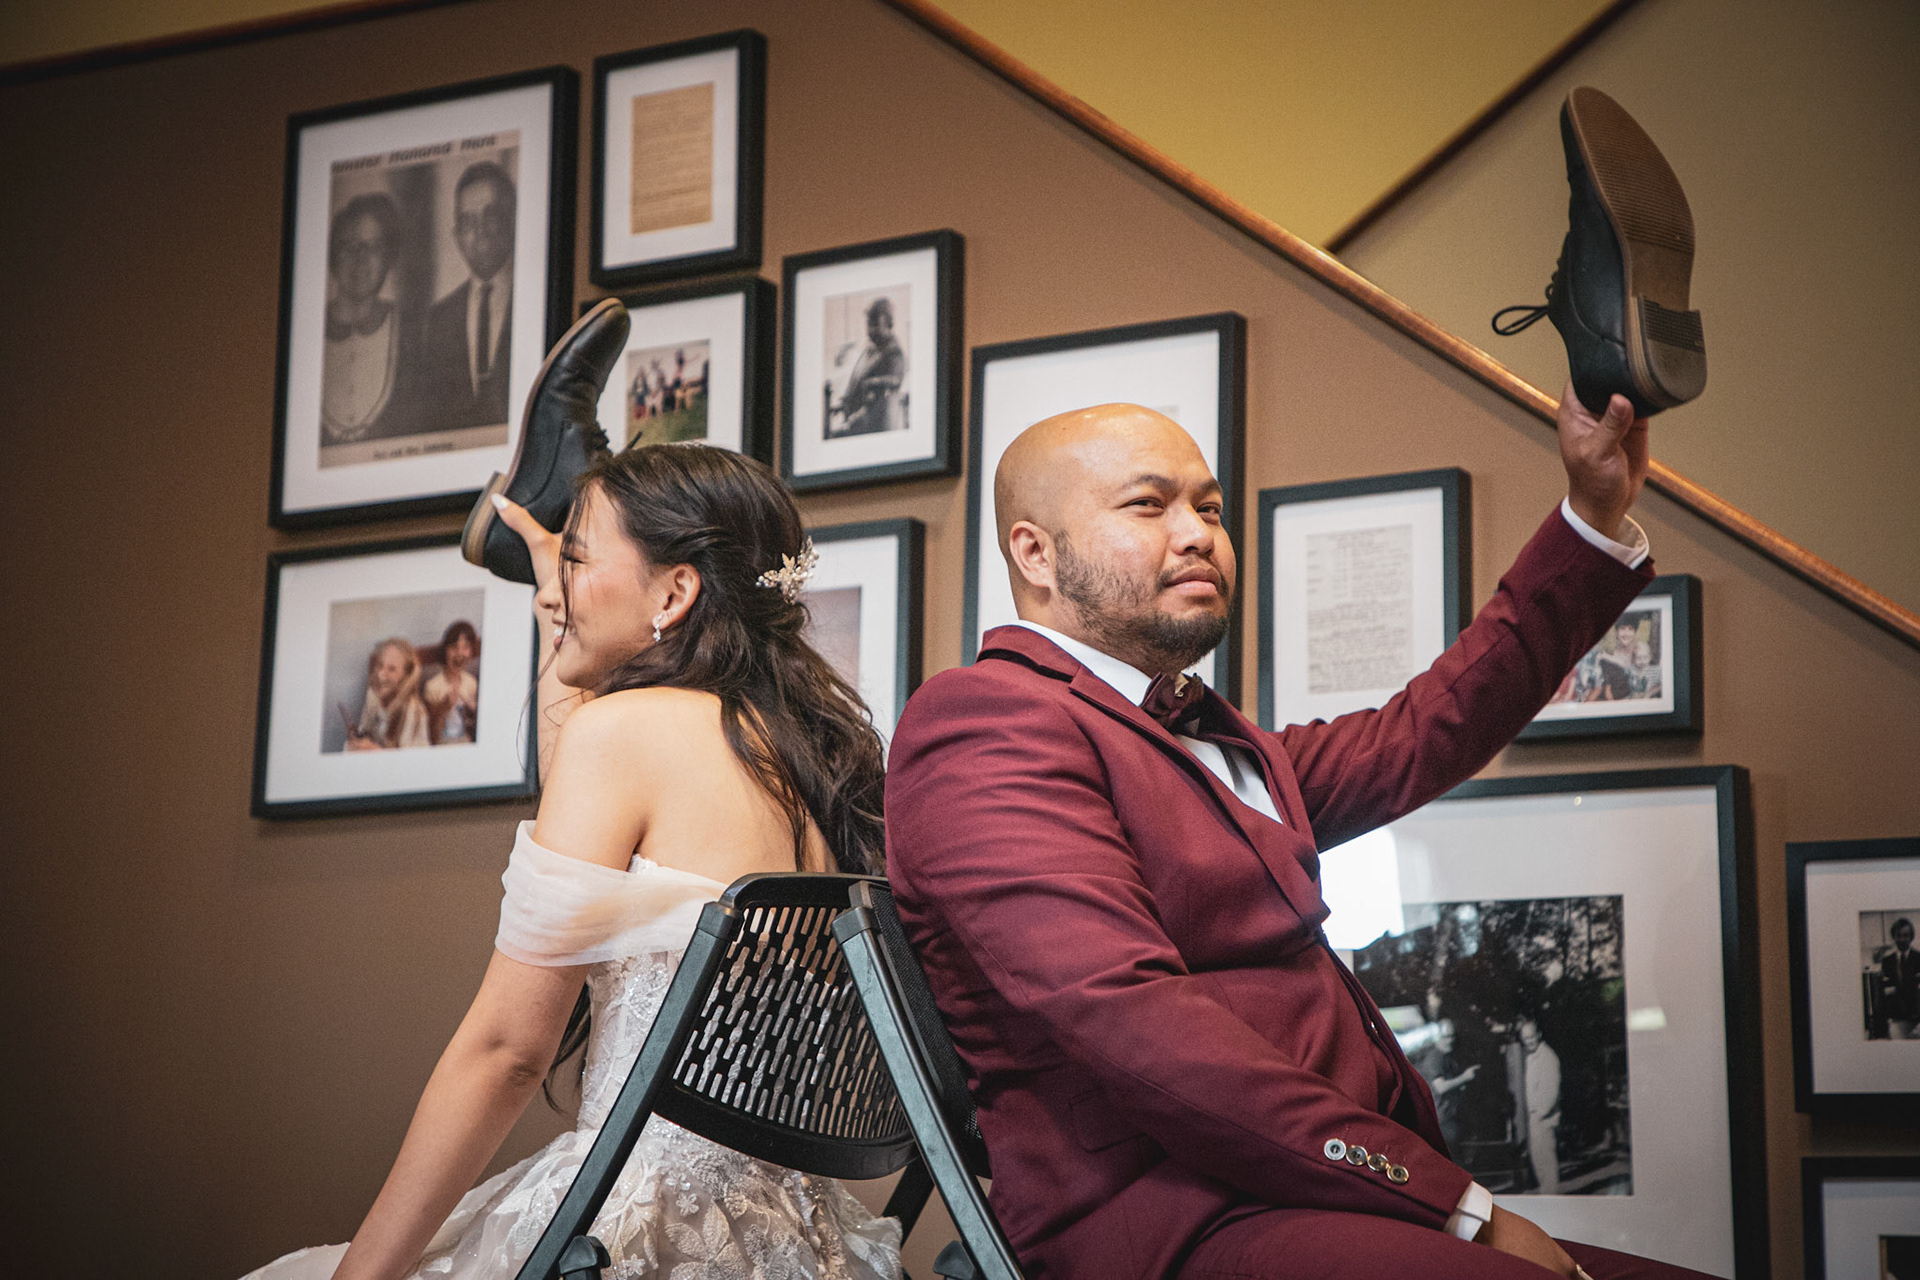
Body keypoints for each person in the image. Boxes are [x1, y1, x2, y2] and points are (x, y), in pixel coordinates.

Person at [885, 387, 1715, 1278]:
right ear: (1035, 552)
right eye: (1149, 504)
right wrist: (1458, 1209)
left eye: (1209, 508)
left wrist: (1592, 515)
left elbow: (1428, 730)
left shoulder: (1204, 736)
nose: (1198, 533)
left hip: (1319, 1201)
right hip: (1179, 1228)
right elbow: (1130, 1018)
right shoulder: (983, 719)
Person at [247, 444, 901, 1280]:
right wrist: (556, 599)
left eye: (580, 561)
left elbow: (508, 1052)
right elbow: (582, 817)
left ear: (675, 593)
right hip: (793, 1244)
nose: (560, 588)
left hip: (633, 1231)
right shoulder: (815, 762)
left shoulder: (624, 736)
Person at [422, 161, 515, 432]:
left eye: (490, 215)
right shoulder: (439, 320)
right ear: (457, 236)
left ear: (510, 220)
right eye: (468, 221)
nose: (480, 230)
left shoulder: (534, 303)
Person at [322, 193, 406, 444]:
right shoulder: (307, 335)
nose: (360, 259)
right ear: (334, 255)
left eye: (373, 247)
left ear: (388, 258)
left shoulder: (411, 330)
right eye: (350, 246)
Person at [829, 297, 905, 437]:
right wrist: (844, 402)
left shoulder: (893, 353)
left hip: (872, 428)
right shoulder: (870, 348)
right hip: (854, 420)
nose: (869, 331)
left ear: (888, 324)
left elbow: (887, 392)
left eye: (875, 324)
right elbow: (857, 380)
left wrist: (854, 421)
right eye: (868, 324)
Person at [1409, 1019, 1480, 1154]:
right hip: (1442, 1120)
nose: (1450, 1040)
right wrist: (1465, 1077)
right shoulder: (1435, 1058)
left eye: (1452, 1036)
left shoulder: (1446, 1057)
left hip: (1447, 1117)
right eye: (1446, 1037)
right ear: (1436, 1037)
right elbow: (1440, 1087)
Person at [347, 638, 431, 751]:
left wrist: (376, 751)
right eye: (379, 665)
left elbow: (410, 760)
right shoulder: (373, 696)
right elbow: (365, 730)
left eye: (391, 669)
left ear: (405, 676)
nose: (381, 674)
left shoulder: (413, 711)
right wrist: (359, 739)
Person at [1517, 1018, 1562, 1195]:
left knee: (1546, 1162)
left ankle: (1551, 1199)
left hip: (1543, 1119)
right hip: (1533, 1118)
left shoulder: (1548, 1057)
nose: (1529, 1041)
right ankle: (1547, 1195)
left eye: (1532, 1036)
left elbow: (1552, 1090)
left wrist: (1540, 1112)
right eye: (1526, 1038)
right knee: (1538, 1162)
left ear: (1539, 1035)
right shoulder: (1530, 1057)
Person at [422, 620, 480, 745]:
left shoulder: (471, 683)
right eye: (454, 647)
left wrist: (474, 711)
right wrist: (442, 708)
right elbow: (429, 735)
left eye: (465, 647)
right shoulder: (432, 686)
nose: (460, 653)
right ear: (445, 650)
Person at [1881, 917, 1920, 1040]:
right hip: (1896, 1017)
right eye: (1898, 935)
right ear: (1894, 937)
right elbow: (1886, 991)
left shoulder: (1919, 958)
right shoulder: (1887, 961)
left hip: (1917, 1016)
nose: (1902, 939)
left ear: (1911, 937)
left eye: (1906, 935)